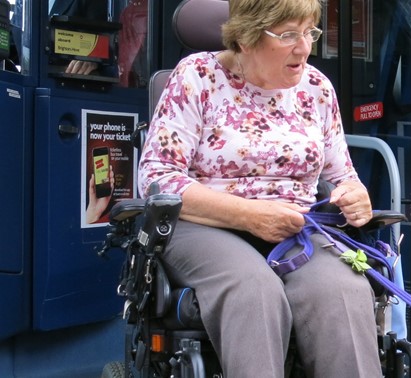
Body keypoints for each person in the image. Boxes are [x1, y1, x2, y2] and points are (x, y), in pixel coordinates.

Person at [137, 0, 379, 376]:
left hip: (295, 226)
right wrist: (249, 215)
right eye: (288, 35)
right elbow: (157, 177)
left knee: (343, 291)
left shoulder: (316, 87)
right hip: (206, 224)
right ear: (246, 39)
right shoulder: (197, 76)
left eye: (308, 32)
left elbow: (342, 173)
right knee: (253, 291)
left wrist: (354, 194)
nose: (304, 47)